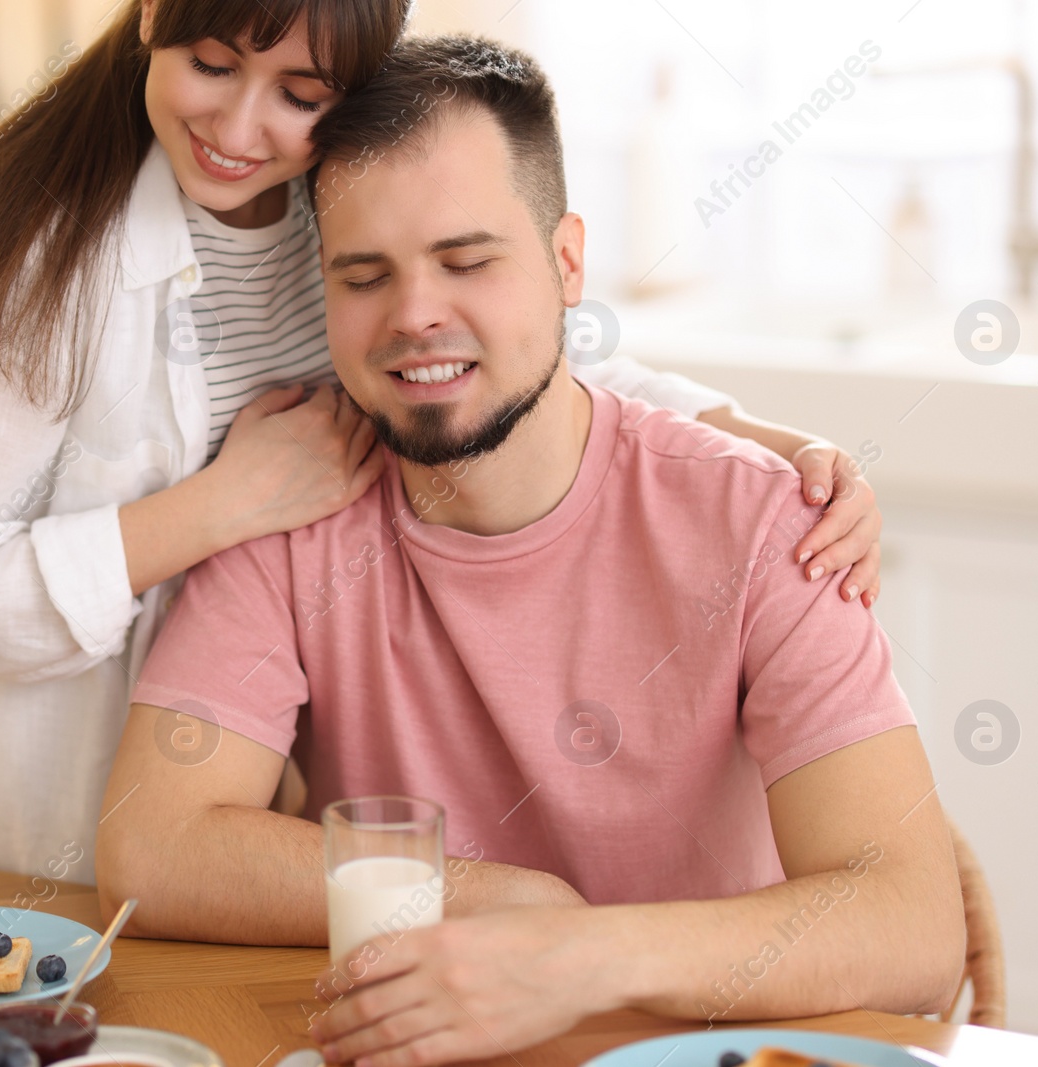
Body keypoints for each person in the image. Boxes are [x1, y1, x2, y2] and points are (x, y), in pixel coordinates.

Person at [0, 0, 884, 883]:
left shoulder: (333, 218)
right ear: (152, 21)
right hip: (9, 832)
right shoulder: (28, 261)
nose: (239, 126)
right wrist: (214, 509)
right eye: (210, 65)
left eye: (299, 95)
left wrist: (740, 434)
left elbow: (476, 347)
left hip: (232, 791)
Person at [95, 35, 963, 1067]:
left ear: (564, 261)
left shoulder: (766, 521)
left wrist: (580, 954)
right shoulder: (289, 494)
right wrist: (508, 898)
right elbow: (152, 845)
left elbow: (910, 921)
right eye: (364, 274)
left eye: (466, 261)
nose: (415, 314)